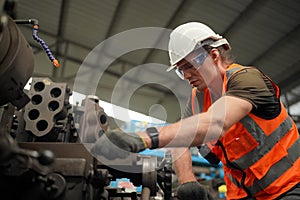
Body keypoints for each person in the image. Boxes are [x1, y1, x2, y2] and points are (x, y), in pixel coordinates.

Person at [92, 22, 300, 200]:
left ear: (214, 55)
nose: (187, 75)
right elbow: (180, 139)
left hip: (290, 185)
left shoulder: (246, 79)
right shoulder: (198, 98)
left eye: (190, 66)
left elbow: (215, 123)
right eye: (181, 71)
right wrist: (187, 180)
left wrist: (143, 138)